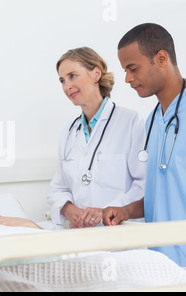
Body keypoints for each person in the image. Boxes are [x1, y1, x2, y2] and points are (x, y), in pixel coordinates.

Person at [103, 23, 186, 267]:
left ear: (161, 58)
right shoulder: (152, 121)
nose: (127, 79)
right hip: (161, 262)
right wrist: (127, 211)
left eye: (133, 68)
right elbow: (164, 194)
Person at [47, 47, 146, 228]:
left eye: (72, 76)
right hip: (82, 234)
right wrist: (72, 211)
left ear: (96, 74)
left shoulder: (130, 122)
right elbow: (57, 190)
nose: (66, 86)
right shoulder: (68, 133)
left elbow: (143, 184)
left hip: (121, 232)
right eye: (62, 80)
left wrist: (107, 210)